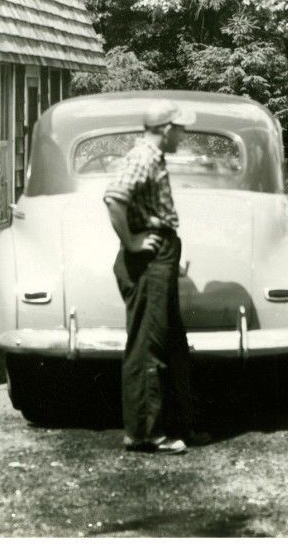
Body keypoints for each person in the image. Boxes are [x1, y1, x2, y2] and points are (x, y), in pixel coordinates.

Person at [103, 98, 199, 454]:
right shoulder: (142, 156)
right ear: (166, 129)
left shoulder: (153, 157)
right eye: (181, 129)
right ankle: (144, 433)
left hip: (161, 256)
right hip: (148, 261)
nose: (183, 136)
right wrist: (131, 243)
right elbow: (115, 198)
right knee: (148, 346)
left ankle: (176, 423)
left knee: (170, 342)